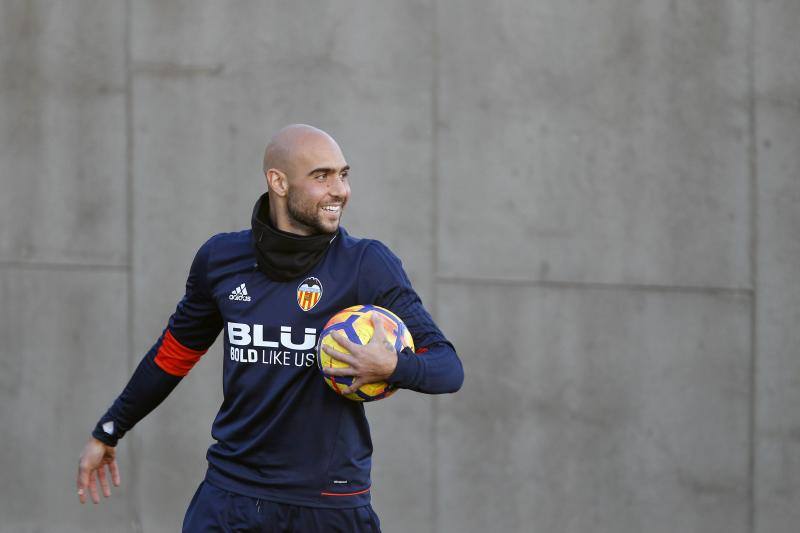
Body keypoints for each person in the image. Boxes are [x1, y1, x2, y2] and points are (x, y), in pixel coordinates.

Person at [76, 124, 464, 532]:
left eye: (343, 175)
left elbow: (447, 367)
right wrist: (109, 429)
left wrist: (392, 366)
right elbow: (173, 356)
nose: (340, 190)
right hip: (230, 498)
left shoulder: (367, 264)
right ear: (278, 182)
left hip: (329, 505)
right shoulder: (221, 259)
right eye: (322, 176)